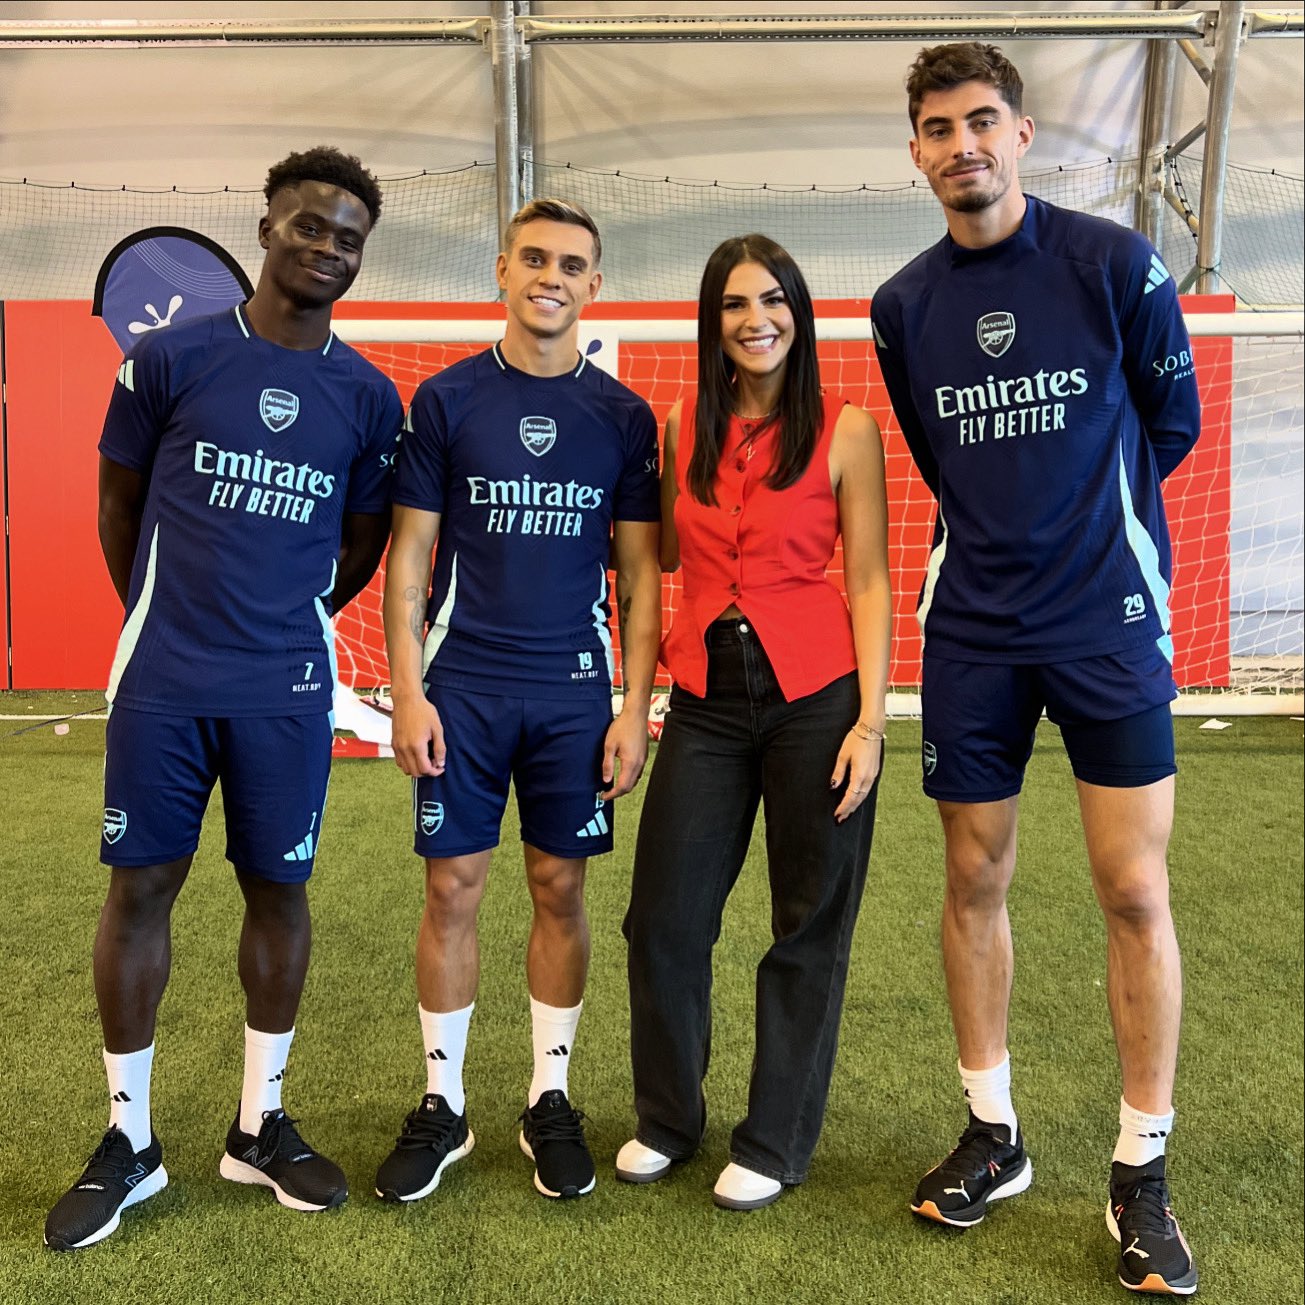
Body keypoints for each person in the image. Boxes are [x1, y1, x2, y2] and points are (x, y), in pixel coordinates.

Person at [870, 43, 1201, 1296]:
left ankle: (1141, 1171)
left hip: (1108, 623)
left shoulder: (1114, 264)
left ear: (1022, 133)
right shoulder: (903, 306)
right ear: (915, 151)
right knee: (972, 876)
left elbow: (1170, 424)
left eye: (981, 121)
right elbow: (940, 452)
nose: (961, 144)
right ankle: (994, 1133)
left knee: (1133, 890)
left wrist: (1091, 536)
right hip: (972, 634)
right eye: (937, 127)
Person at [44, 147, 403, 1251]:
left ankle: (259, 1127)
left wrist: (288, 612)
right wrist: (166, 615)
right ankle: (130, 1141)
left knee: (278, 891)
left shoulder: (368, 394)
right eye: (310, 226)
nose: (327, 248)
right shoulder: (170, 359)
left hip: (285, 686)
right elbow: (117, 505)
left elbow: (362, 540)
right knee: (141, 889)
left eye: (347, 237)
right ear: (266, 228)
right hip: (164, 675)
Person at [375, 198, 662, 1203]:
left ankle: (550, 1098)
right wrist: (406, 691)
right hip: (461, 688)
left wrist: (633, 709)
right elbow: (409, 560)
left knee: (560, 888)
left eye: (572, 265)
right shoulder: (446, 401)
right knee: (451, 889)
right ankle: (443, 1105)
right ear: (502, 270)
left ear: (595, 286)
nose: (551, 277)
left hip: (574, 694)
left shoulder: (623, 418)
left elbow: (640, 577)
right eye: (534, 259)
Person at [617, 234, 891, 1210]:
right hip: (704, 701)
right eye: (734, 303)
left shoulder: (847, 430)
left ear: (798, 313)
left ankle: (774, 1141)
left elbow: (869, 579)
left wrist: (871, 722)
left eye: (772, 299)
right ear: (712, 321)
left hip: (817, 698)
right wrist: (633, 699)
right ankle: (667, 1119)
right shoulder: (681, 422)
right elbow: (654, 566)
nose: (755, 318)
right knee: (662, 920)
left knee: (806, 925)